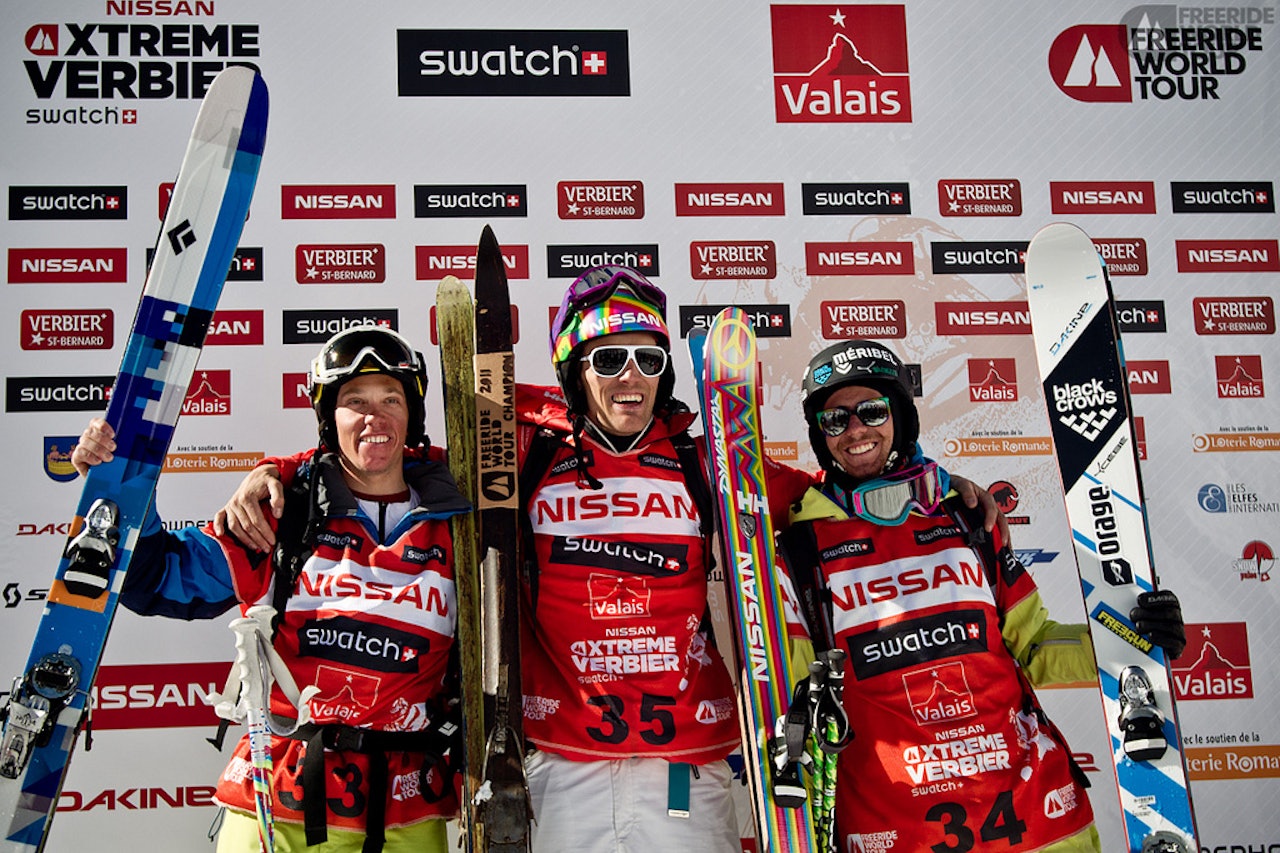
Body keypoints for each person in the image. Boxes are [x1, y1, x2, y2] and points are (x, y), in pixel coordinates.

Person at [221, 268, 1004, 852]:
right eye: (609, 359)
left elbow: (839, 492)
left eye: (648, 358)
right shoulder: (527, 450)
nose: (631, 376)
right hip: (560, 760)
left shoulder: (711, 462)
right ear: (575, 368)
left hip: (687, 762)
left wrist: (936, 481)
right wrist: (282, 471)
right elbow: (383, 451)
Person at [71, 325, 470, 853]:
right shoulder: (284, 514)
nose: (375, 417)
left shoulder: (462, 519)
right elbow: (158, 578)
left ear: (412, 413)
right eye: (354, 401)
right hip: (279, 799)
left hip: (407, 806)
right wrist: (118, 480)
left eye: (390, 398)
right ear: (329, 418)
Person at [777, 339, 1187, 853]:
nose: (855, 430)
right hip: (897, 829)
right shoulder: (798, 546)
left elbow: (1035, 646)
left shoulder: (966, 517)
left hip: (1037, 819)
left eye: (872, 411)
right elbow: (795, 692)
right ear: (821, 437)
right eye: (835, 420)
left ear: (900, 418)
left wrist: (1130, 640)